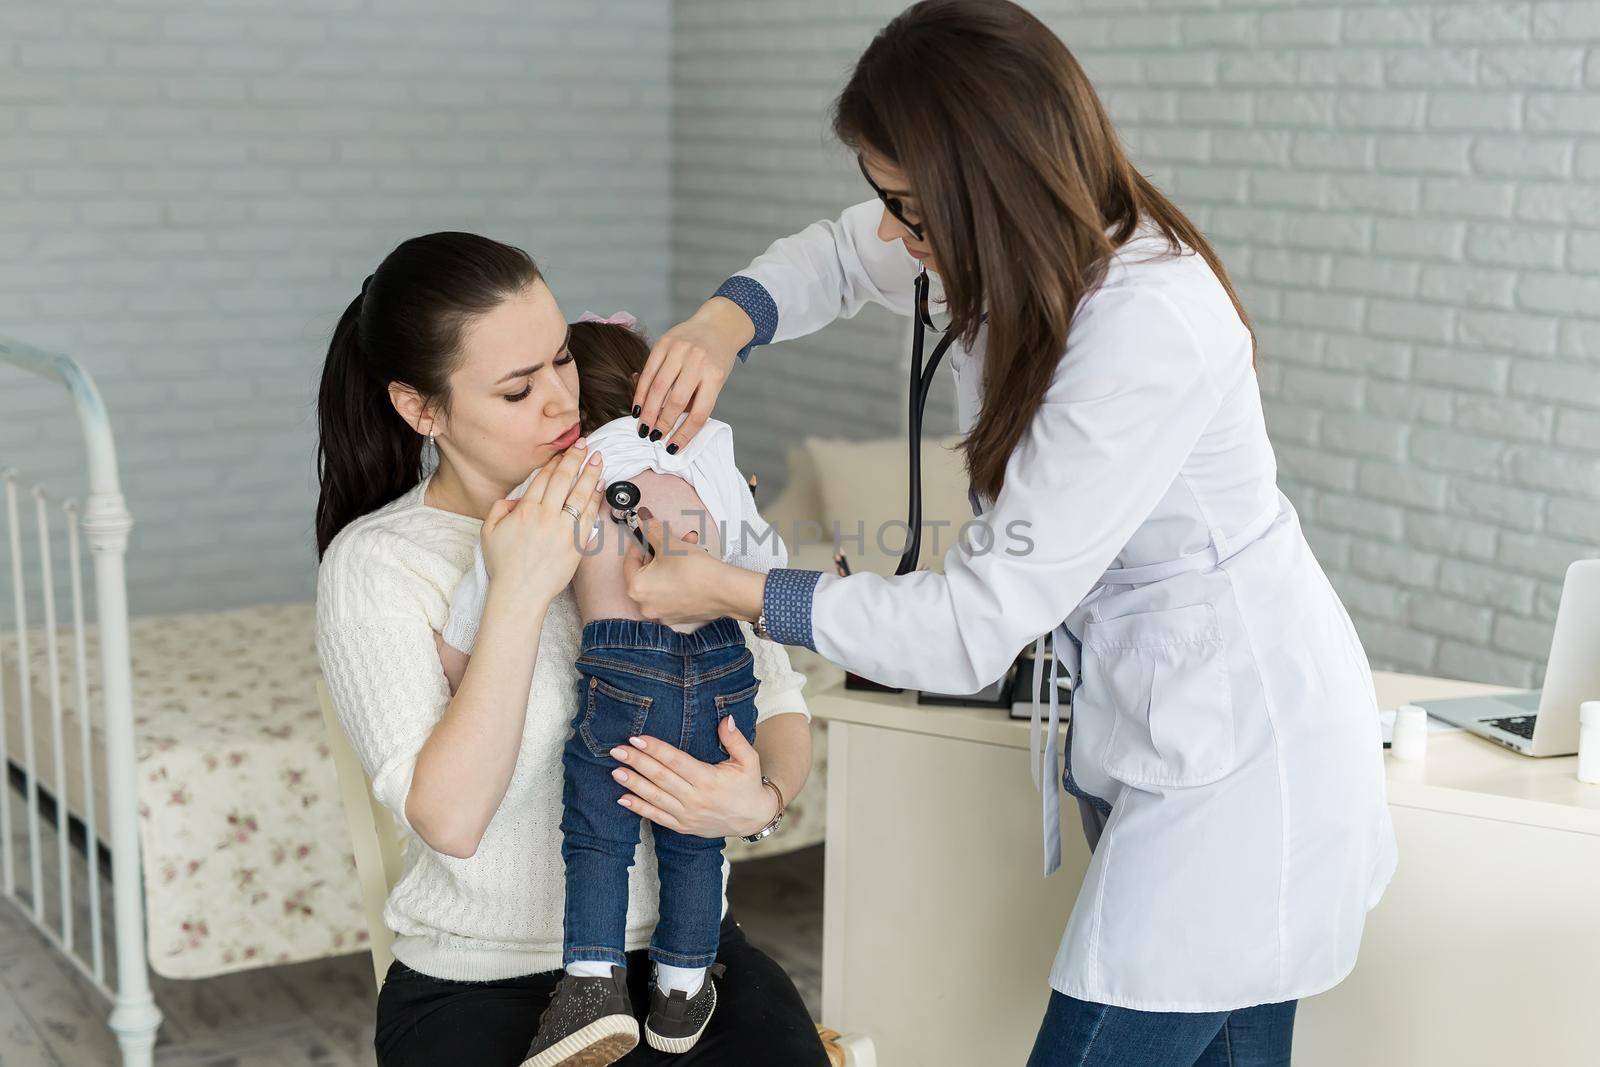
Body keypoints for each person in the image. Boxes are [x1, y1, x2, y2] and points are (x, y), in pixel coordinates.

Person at [609, 3, 1398, 1065]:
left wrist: (740, 587)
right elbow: (840, 257)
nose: (890, 231)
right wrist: (724, 319)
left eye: (906, 207)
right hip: (1160, 720)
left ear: (986, 187)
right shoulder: (1009, 252)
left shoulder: (1142, 326)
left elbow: (970, 625)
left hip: (1240, 749)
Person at [313, 231, 829, 1067]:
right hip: (484, 985)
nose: (562, 402)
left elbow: (777, 696)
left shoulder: (648, 488)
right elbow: (449, 817)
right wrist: (517, 588)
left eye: (560, 359)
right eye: (518, 390)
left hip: (687, 964)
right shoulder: (381, 563)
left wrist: (758, 803)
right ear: (420, 408)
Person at [437, 313, 791, 1062]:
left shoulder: (573, 474)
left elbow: (498, 573)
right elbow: (764, 557)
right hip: (726, 660)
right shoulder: (705, 453)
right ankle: (683, 986)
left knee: (601, 834)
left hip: (629, 667)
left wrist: (459, 652)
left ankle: (594, 984)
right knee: (694, 833)